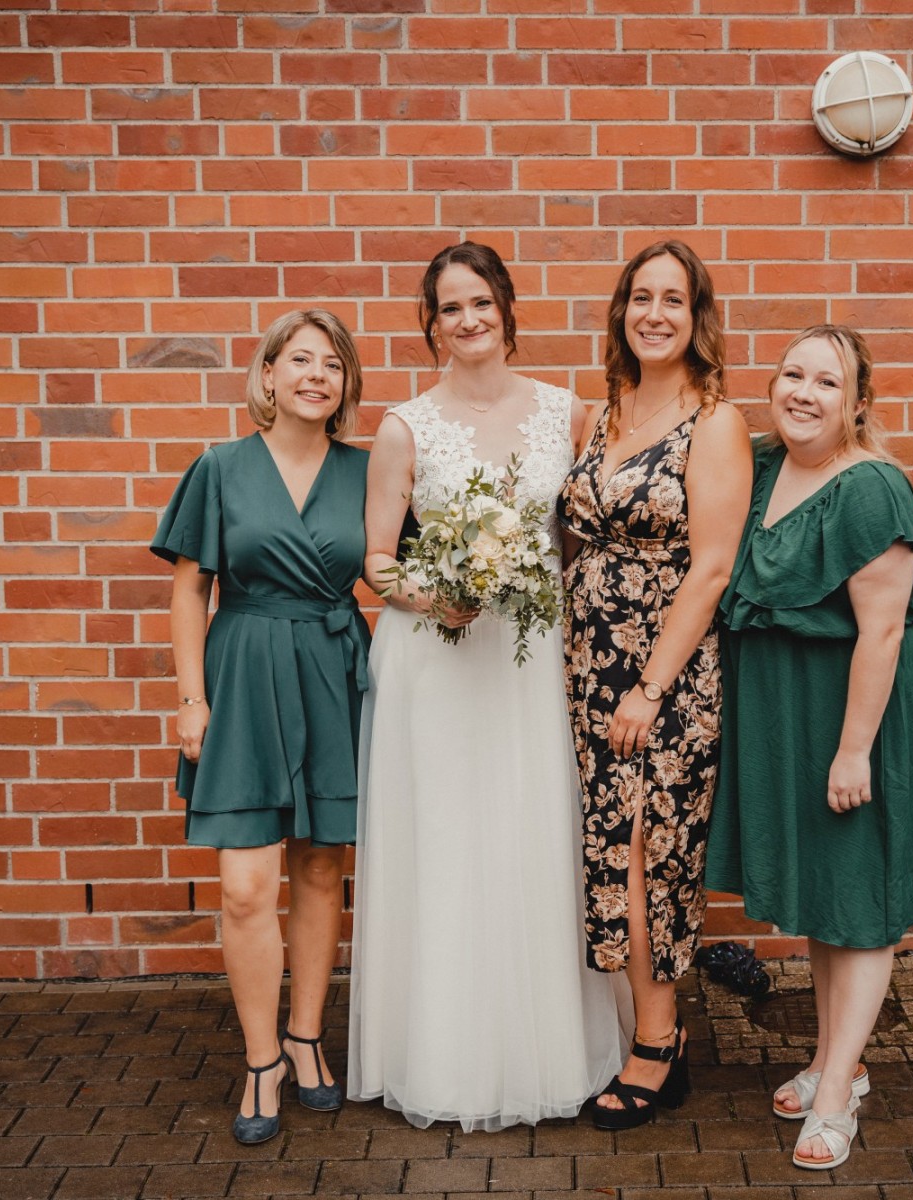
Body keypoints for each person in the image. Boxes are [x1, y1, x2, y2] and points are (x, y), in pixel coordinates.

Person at [347, 241, 623, 1131]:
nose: (468, 320)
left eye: (480, 303)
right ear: (432, 326)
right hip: (438, 660)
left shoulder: (567, 414)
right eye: (450, 308)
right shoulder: (405, 428)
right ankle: (441, 1059)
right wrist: (437, 597)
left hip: (530, 659)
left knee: (532, 833)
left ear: (507, 309)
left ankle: (548, 1052)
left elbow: (578, 544)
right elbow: (377, 561)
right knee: (447, 844)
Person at [706, 325, 913, 1171]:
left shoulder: (874, 489)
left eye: (827, 382)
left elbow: (881, 633)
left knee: (863, 898)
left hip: (859, 714)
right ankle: (827, 1058)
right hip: (791, 715)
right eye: (793, 375)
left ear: (858, 403)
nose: (804, 394)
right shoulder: (763, 466)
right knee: (825, 893)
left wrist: (854, 752)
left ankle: (840, 1090)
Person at [150, 309, 370, 1145]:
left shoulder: (368, 470)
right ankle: (260, 1059)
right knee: (245, 886)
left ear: (346, 384)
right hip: (240, 676)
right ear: (269, 374)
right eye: (300, 359)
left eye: (333, 364)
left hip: (332, 670)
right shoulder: (220, 467)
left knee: (318, 868)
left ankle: (306, 1038)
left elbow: (409, 573)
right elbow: (188, 590)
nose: (317, 375)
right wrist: (190, 698)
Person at [559, 240, 753, 1129]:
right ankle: (642, 1029)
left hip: (664, 675)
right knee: (611, 847)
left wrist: (649, 686)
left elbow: (710, 568)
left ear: (696, 316)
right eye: (642, 296)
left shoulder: (715, 423)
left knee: (649, 851)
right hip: (587, 667)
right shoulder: (601, 414)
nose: (655, 314)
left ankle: (658, 1043)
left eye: (674, 299)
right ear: (622, 311)